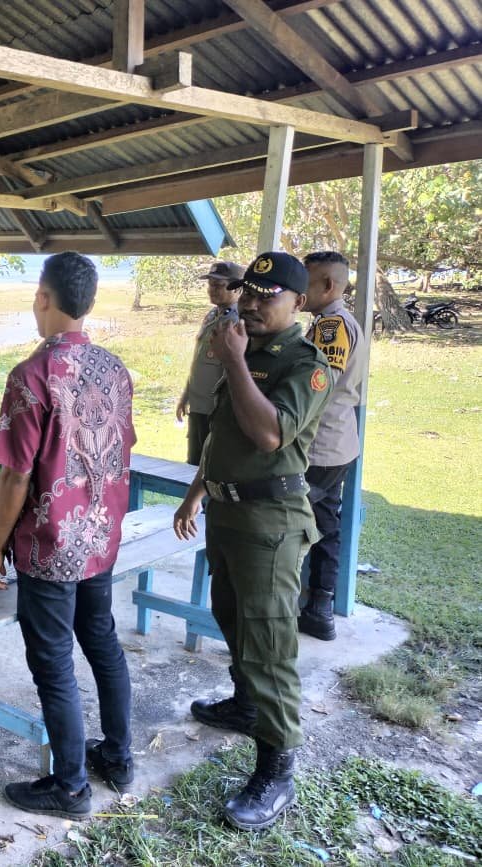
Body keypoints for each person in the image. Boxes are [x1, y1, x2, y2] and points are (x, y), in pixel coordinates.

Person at [173, 252, 334, 831]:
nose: (253, 303)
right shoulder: (246, 349)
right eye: (249, 293)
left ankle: (277, 770)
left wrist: (235, 361)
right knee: (233, 621)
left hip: (270, 523)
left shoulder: (305, 364)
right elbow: (224, 432)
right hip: (227, 512)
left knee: (268, 644)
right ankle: (245, 706)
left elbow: (267, 434)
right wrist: (197, 491)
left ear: (299, 303)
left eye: (269, 296)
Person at [0, 253, 137, 818]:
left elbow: (15, 474)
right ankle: (118, 757)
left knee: (53, 664)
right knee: (102, 642)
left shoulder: (32, 375)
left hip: (50, 543)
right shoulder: (115, 369)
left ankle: (70, 787)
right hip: (100, 537)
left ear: (43, 298)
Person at [299, 251, 368, 641]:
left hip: (319, 445)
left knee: (300, 525)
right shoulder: (331, 322)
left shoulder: (332, 326)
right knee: (324, 521)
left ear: (327, 285)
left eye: (305, 282)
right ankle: (319, 607)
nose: (299, 290)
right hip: (334, 442)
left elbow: (317, 384)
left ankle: (307, 605)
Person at [176, 261, 245, 466]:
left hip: (215, 411)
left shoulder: (237, 323)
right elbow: (199, 362)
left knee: (210, 466)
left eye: (218, 285)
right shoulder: (213, 316)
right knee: (193, 464)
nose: (211, 290)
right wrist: (185, 396)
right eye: (210, 284)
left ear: (237, 289)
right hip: (198, 406)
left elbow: (233, 372)